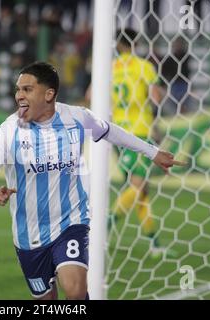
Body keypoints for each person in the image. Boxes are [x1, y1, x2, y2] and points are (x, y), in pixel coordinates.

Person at [0, 61, 183, 299]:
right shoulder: (9, 131)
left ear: (49, 94)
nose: (19, 95)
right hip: (28, 233)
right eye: (18, 89)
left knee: (76, 291)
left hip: (71, 222)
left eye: (27, 89)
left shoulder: (76, 118)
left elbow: (111, 131)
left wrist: (153, 153)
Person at [86, 28, 171, 258]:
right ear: (137, 43)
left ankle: (154, 243)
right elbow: (156, 97)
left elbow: (89, 95)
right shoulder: (144, 66)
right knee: (138, 186)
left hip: (117, 133)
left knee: (141, 190)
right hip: (140, 132)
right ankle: (103, 228)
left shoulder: (108, 67)